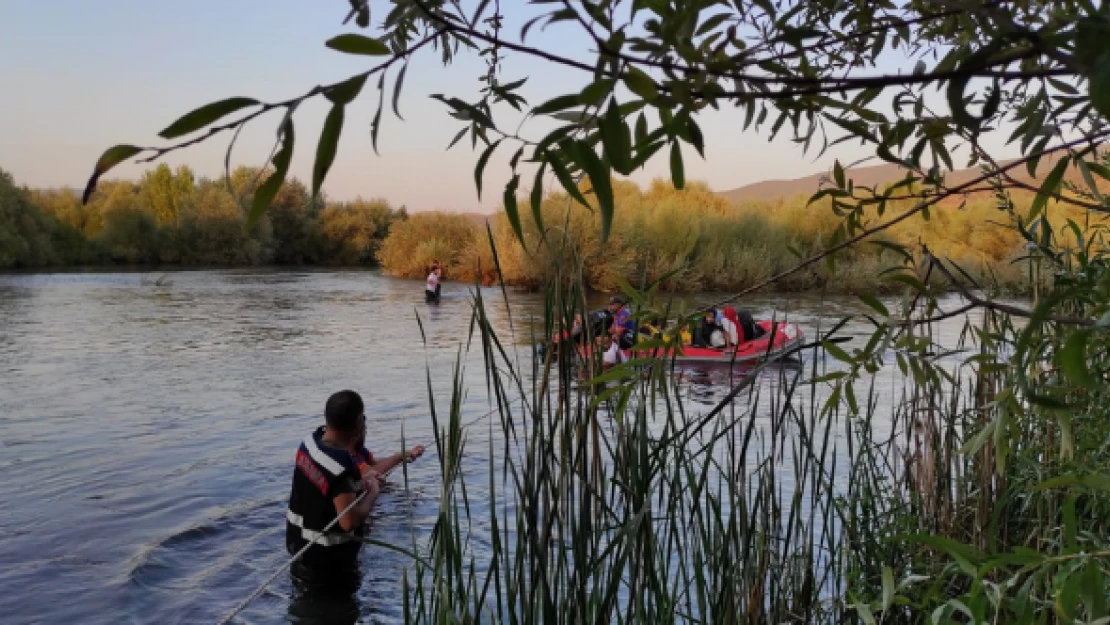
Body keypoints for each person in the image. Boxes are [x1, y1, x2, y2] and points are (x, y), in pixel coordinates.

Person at [286, 390, 425, 594]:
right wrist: (373, 492)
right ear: (358, 423)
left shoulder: (309, 443)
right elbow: (349, 521)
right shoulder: (340, 466)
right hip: (327, 569)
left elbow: (325, 491)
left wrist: (360, 483)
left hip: (298, 550)